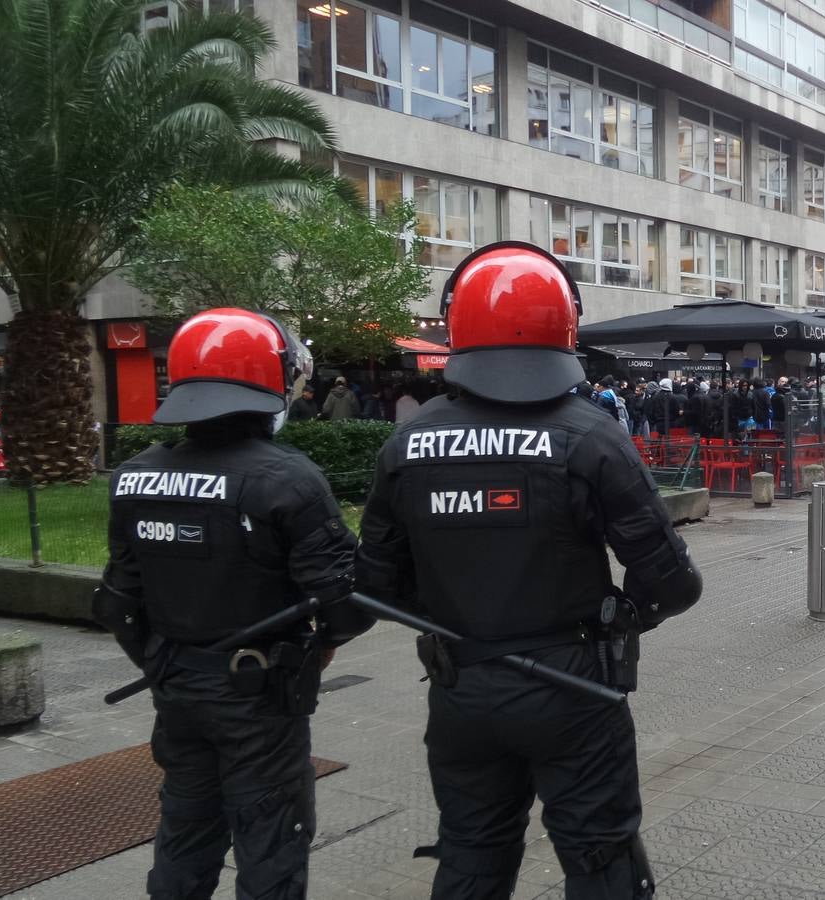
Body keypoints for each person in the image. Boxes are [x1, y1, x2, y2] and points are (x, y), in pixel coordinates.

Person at [356, 243, 701, 899]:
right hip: (575, 689)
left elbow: (375, 585)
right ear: (565, 327)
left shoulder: (409, 444)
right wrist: (632, 614)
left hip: (461, 688)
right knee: (602, 863)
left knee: (471, 858)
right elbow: (671, 580)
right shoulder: (591, 435)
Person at [96, 308, 374, 900]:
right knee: (272, 840)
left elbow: (117, 602)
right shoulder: (288, 479)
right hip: (260, 696)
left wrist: (164, 661)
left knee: (185, 831)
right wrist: (321, 644)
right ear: (265, 384)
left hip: (176, 686)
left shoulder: (134, 475)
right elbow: (349, 603)